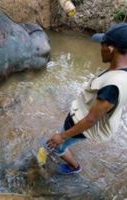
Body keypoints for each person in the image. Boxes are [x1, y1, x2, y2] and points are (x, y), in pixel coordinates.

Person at [47, 23, 127, 175]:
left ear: (110, 49)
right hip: (92, 118)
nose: (100, 50)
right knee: (61, 139)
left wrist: (61, 136)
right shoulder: (122, 73)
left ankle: (74, 167)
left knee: (59, 146)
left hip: (84, 122)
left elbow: (91, 119)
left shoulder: (113, 86)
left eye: (102, 46)